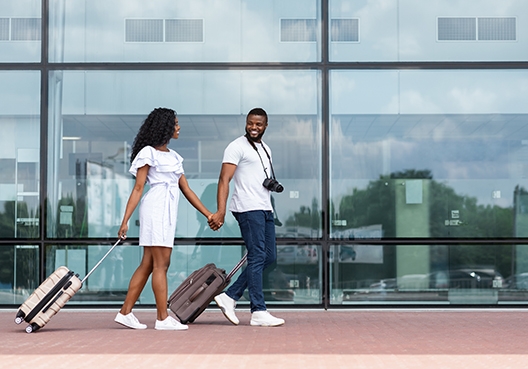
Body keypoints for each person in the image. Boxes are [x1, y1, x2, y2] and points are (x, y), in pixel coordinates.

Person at [114, 107, 215, 331]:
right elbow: (138, 188)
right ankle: (162, 318)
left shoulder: (175, 157)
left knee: (149, 263)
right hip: (156, 207)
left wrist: (208, 213)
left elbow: (187, 190)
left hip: (166, 209)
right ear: (165, 127)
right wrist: (125, 220)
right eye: (176, 124)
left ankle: (125, 313)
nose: (179, 128)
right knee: (162, 264)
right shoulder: (148, 152)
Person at [210, 107, 285, 327]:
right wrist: (221, 211)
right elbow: (224, 179)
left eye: (258, 124)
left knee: (268, 257)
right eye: (250, 123)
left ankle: (230, 295)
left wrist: (273, 212)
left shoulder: (266, 149)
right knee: (257, 255)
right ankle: (258, 310)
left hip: (264, 209)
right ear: (246, 122)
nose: (254, 127)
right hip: (247, 207)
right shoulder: (236, 147)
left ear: (266, 126)